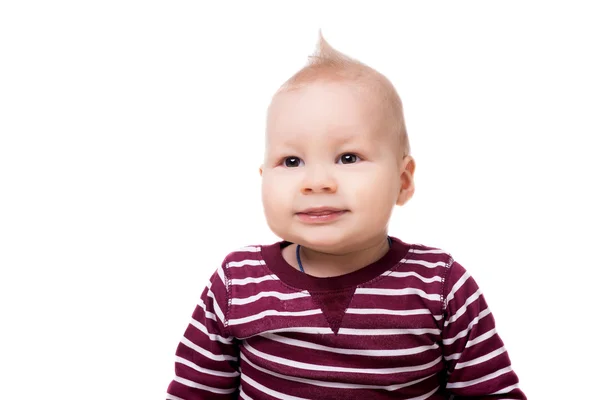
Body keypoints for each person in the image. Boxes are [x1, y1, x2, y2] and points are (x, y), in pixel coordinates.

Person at [165, 32, 526, 399]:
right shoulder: (237, 283)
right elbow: (195, 392)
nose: (317, 182)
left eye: (348, 158)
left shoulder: (441, 286)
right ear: (263, 177)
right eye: (291, 161)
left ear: (402, 181)